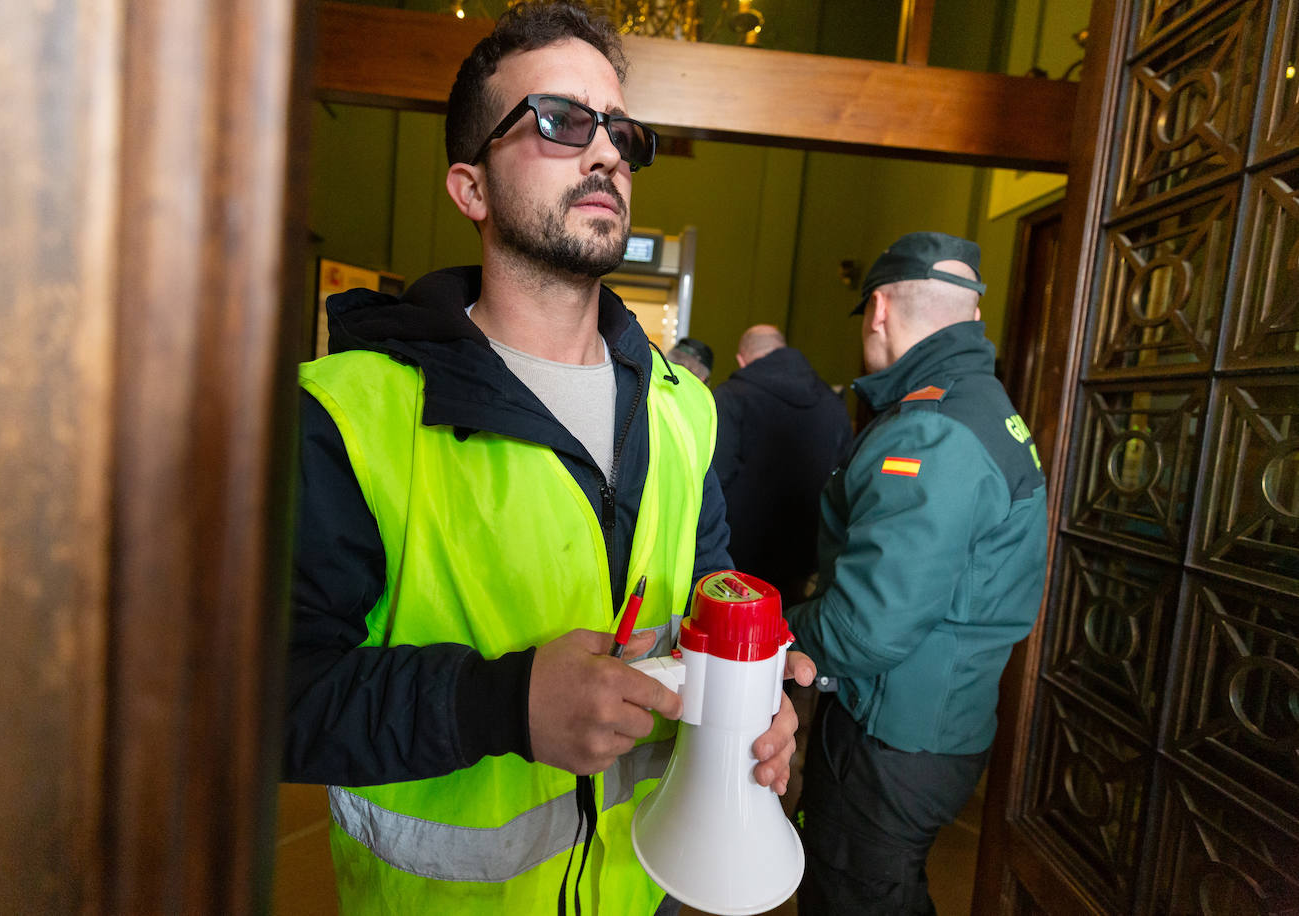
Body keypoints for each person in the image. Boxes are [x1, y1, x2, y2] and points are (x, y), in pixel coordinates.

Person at [281, 4, 813, 913]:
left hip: (645, 883)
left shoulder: (683, 410)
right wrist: (503, 703)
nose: (605, 153)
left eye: (621, 132)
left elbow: (708, 592)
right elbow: (273, 696)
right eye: (562, 122)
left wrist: (754, 692)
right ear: (471, 188)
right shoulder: (350, 411)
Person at [785, 232, 1048, 915]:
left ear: (877, 310)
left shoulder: (933, 430)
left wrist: (783, 636)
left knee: (856, 895)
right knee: (884, 890)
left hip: (893, 734)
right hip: (938, 723)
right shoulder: (980, 408)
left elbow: (868, 624)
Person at [713, 324, 853, 607]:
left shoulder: (730, 397)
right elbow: (843, 483)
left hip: (736, 565)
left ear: (742, 359)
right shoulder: (832, 403)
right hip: (805, 560)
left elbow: (714, 479)